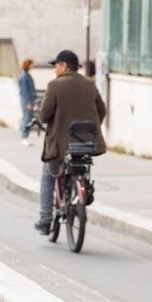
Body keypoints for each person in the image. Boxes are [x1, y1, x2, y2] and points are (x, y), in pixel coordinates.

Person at [34, 50, 106, 235]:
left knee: (48, 176)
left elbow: (44, 115)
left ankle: (45, 220)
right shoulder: (89, 85)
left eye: (56, 66)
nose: (54, 70)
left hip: (61, 146)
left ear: (64, 66)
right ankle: (79, 192)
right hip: (87, 143)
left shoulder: (55, 86)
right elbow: (102, 110)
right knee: (80, 169)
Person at [18, 58, 36, 146]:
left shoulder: (26, 75)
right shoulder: (24, 76)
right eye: (31, 64)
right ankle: (24, 137)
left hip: (28, 99)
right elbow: (25, 90)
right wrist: (28, 103)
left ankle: (25, 137)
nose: (33, 66)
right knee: (27, 118)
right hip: (26, 100)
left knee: (27, 118)